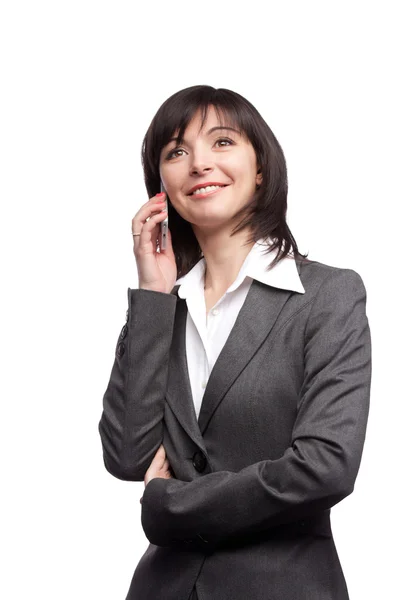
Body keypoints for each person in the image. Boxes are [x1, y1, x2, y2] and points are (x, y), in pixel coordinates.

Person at [98, 85, 372, 600]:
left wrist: (171, 503)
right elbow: (126, 455)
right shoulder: (164, 310)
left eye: (221, 143)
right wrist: (153, 296)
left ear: (261, 167)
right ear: (162, 187)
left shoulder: (328, 296)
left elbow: (325, 467)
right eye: (176, 152)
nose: (199, 163)